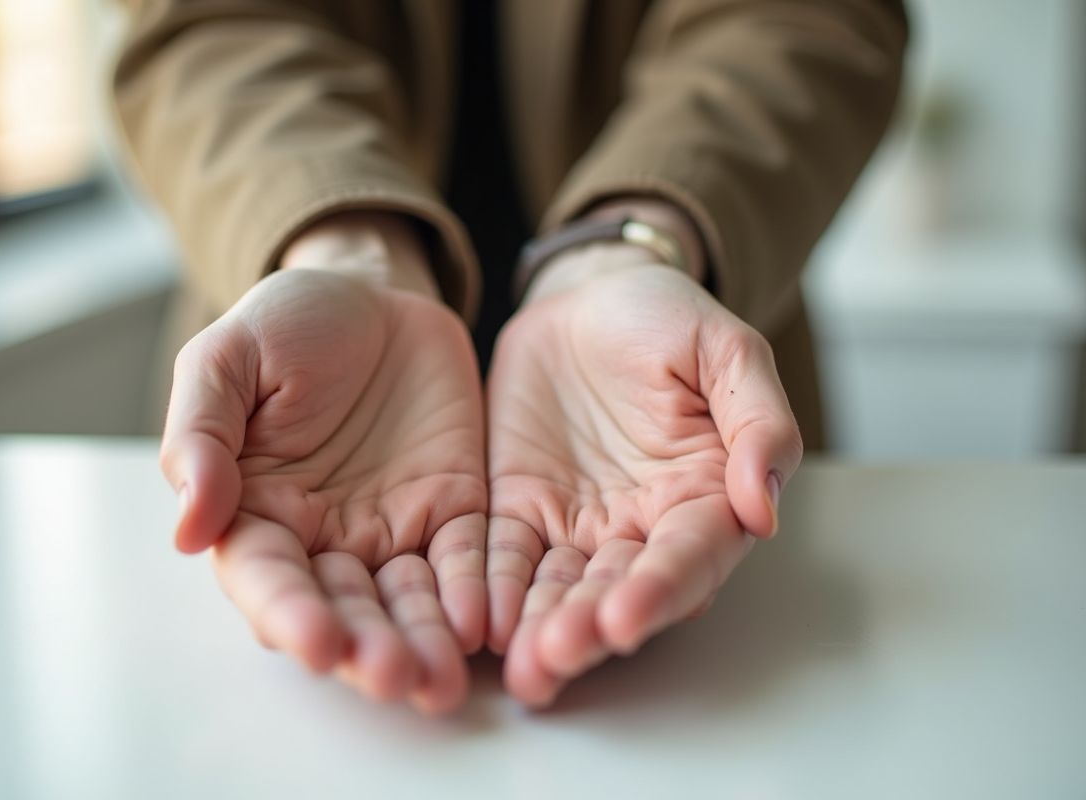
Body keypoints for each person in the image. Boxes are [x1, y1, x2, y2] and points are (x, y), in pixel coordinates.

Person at [114, 0, 907, 714]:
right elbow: (202, 22)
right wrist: (341, 243)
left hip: (667, 408)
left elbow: (806, 16)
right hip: (316, 413)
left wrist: (635, 241)